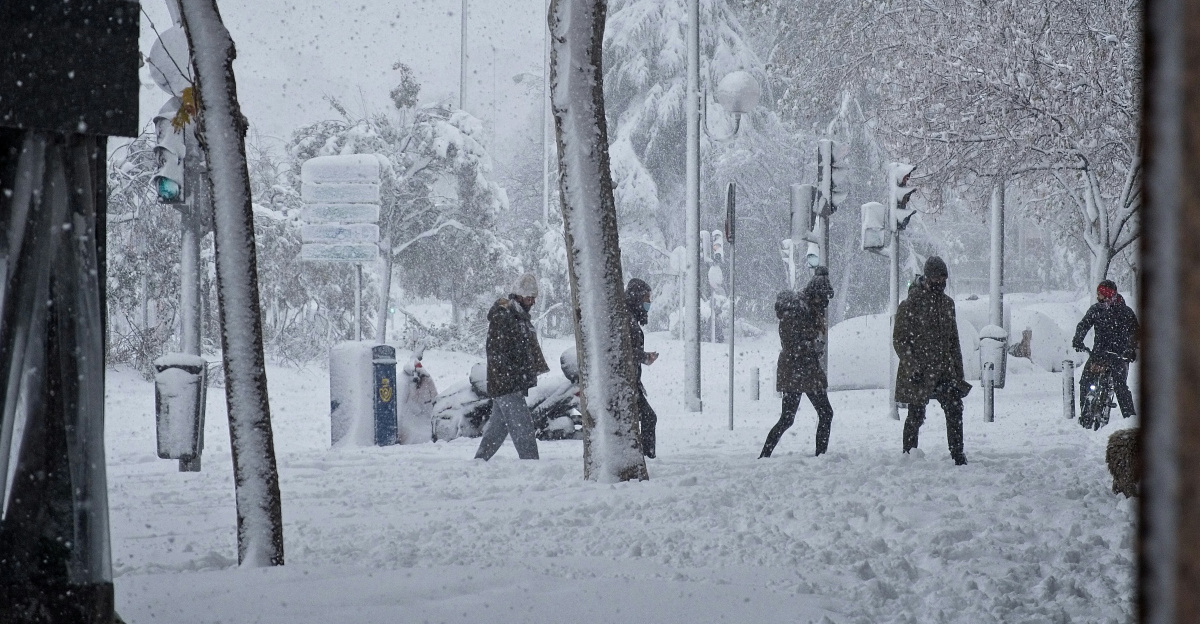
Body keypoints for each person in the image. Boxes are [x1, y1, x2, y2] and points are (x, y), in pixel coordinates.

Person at [894, 257, 971, 466]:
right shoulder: (911, 304)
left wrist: (958, 373)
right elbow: (900, 340)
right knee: (916, 414)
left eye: (944, 278)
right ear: (927, 278)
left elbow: (953, 342)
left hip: (945, 371)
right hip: (920, 372)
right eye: (937, 278)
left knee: (955, 408)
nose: (941, 283)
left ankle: (957, 454)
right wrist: (912, 365)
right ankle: (909, 454)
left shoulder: (947, 304)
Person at [759, 268, 836, 458]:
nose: (824, 304)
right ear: (815, 294)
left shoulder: (807, 308)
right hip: (799, 370)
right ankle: (820, 456)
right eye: (823, 299)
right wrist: (812, 346)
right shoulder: (797, 311)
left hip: (800, 370)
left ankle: (766, 455)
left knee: (790, 418)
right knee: (819, 414)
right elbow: (791, 343)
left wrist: (811, 345)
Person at [475, 274, 550, 460]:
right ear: (518, 296)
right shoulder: (504, 317)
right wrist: (512, 378)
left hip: (510, 383)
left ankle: (479, 461)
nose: (532, 301)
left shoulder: (520, 317)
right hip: (507, 384)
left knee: (498, 429)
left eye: (534, 298)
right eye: (528, 297)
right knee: (523, 428)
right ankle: (532, 464)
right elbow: (497, 353)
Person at [1072, 279, 1139, 420]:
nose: (1098, 298)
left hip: (1119, 357)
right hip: (1098, 354)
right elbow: (1084, 325)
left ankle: (1129, 417)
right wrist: (1078, 340)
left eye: (1101, 295)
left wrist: (1130, 350)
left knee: (1120, 386)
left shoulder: (1126, 313)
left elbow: (1136, 334)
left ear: (1109, 295)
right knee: (1085, 381)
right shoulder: (1096, 310)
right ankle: (1085, 415)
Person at [625, 278, 659, 458]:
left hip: (631, 382)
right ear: (636, 298)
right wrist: (644, 357)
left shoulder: (630, 318)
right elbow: (626, 351)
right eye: (646, 297)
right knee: (648, 417)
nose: (648, 302)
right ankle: (647, 456)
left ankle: (645, 455)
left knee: (645, 417)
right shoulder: (628, 320)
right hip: (628, 383)